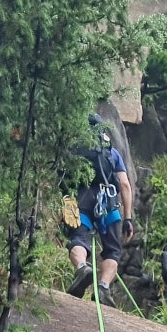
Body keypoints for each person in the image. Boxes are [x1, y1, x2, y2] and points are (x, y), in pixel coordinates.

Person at [63, 116, 134, 308]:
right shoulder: (111, 153)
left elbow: (64, 178)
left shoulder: (75, 148)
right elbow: (125, 185)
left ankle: (82, 268)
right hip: (109, 202)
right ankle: (102, 287)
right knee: (113, 250)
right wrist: (128, 219)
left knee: (78, 238)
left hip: (81, 199)